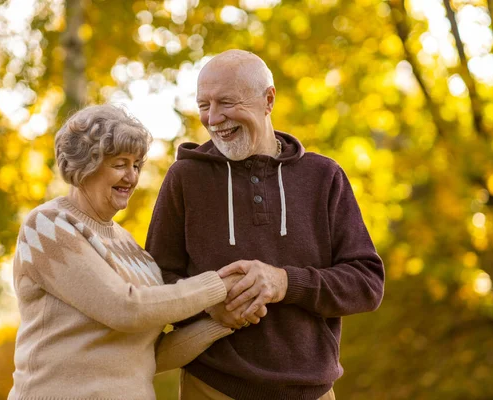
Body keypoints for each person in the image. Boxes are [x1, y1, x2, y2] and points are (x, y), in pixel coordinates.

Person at [145, 50, 385, 400]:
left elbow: (367, 282)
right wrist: (209, 302)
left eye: (226, 102)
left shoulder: (324, 176)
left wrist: (284, 282)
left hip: (312, 392)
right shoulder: (185, 178)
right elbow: (155, 279)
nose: (213, 118)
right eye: (203, 105)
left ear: (268, 99)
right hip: (211, 388)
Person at [7, 104, 253, 400]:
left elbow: (148, 355)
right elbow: (126, 309)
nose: (132, 177)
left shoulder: (133, 251)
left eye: (137, 165)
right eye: (119, 164)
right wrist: (220, 285)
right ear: (85, 165)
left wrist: (220, 323)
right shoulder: (48, 227)